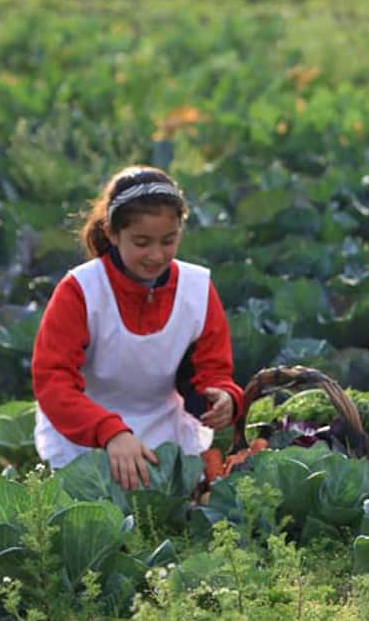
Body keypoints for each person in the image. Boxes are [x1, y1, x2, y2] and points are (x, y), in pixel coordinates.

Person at [32, 165, 243, 490]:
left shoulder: (197, 287)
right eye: (141, 242)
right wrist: (110, 432)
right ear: (113, 234)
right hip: (83, 437)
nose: (156, 255)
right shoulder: (81, 290)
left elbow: (211, 369)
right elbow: (53, 381)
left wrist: (224, 398)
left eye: (168, 241)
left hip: (168, 434)